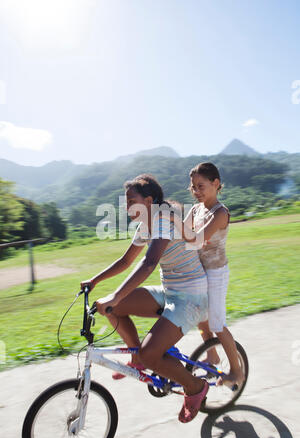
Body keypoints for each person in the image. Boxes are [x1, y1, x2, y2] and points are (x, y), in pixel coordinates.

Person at [81, 174, 209, 423]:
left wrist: (116, 296)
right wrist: (95, 281)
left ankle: (195, 388)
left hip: (191, 298)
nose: (127, 207)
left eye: (131, 201)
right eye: (125, 202)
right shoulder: (146, 224)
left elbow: (149, 263)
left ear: (149, 200)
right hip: (169, 292)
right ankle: (137, 358)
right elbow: (126, 261)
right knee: (112, 309)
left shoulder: (163, 219)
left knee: (152, 353)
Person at [172, 162, 244, 388]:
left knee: (217, 322)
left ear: (216, 184)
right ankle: (212, 357)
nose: (196, 191)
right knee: (203, 320)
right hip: (199, 272)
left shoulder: (220, 213)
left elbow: (195, 239)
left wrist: (175, 223)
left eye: (201, 186)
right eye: (193, 187)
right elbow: (180, 235)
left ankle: (237, 371)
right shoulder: (196, 210)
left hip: (216, 273)